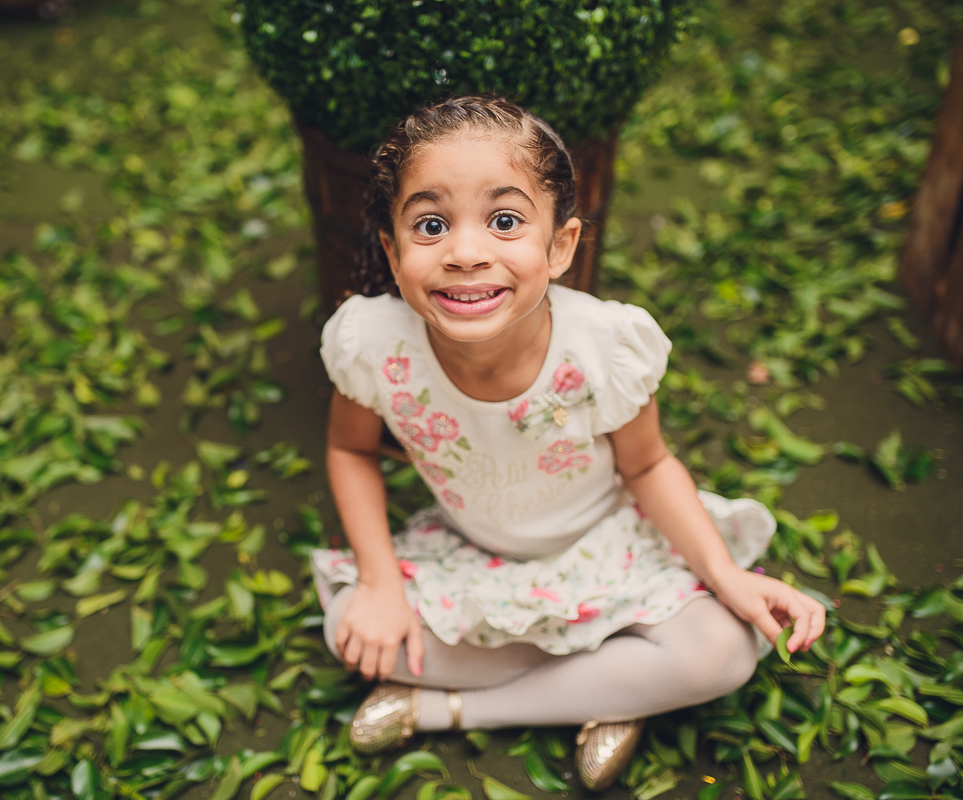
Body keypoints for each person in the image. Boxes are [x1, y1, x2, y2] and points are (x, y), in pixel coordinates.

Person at [311, 95, 826, 791]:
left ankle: (445, 712)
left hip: (608, 545)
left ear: (559, 246)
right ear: (391, 250)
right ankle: (617, 686)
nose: (465, 253)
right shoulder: (372, 343)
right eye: (430, 224)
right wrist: (378, 583)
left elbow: (647, 463)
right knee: (351, 627)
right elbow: (350, 452)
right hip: (479, 556)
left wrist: (726, 576)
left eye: (504, 221)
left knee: (724, 651)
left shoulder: (602, 347)